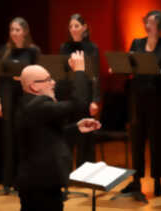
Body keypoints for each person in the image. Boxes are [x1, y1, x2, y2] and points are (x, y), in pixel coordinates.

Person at [15, 51, 101, 211]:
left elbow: (47, 137)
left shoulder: (32, 104)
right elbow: (79, 104)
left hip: (40, 183)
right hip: (40, 185)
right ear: (34, 86)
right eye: (48, 80)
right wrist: (80, 71)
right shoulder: (38, 106)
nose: (53, 83)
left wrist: (76, 128)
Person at [120, 10, 161, 197]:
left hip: (158, 99)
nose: (146, 25)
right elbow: (129, 64)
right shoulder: (137, 43)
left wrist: (152, 69)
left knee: (157, 140)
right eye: (146, 21)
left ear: (159, 25)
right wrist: (121, 67)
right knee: (137, 140)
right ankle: (136, 180)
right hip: (137, 97)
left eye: (150, 22)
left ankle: (157, 180)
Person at [0, 17, 40, 189]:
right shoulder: (4, 50)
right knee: (8, 137)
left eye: (17, 30)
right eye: (12, 30)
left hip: (26, 98)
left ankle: (24, 178)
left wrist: (25, 78)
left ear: (25, 31)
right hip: (7, 97)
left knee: (24, 137)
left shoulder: (33, 51)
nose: (14, 33)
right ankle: (8, 179)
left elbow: (39, 74)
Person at [59, 13, 100, 168]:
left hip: (85, 95)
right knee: (68, 134)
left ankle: (85, 173)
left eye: (76, 26)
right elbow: (60, 73)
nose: (73, 29)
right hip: (68, 96)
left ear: (84, 27)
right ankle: (67, 172)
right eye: (71, 26)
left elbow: (95, 75)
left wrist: (95, 100)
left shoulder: (92, 47)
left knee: (86, 136)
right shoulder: (65, 47)